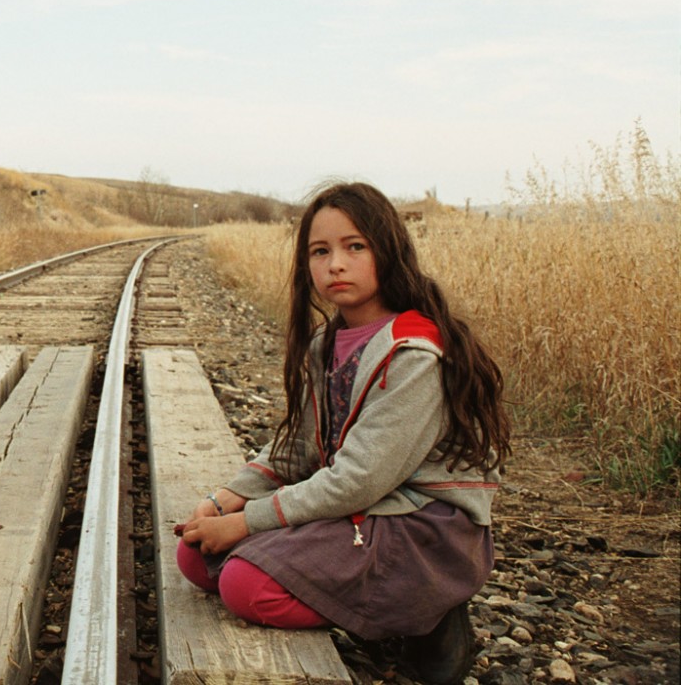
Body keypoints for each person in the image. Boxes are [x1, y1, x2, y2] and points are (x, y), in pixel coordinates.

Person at [174, 182, 510, 685]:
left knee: (244, 585)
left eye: (355, 247)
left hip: (423, 527)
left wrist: (247, 524)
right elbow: (300, 448)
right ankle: (373, 600)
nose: (336, 264)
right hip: (366, 511)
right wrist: (225, 499)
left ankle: (422, 611)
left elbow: (358, 479)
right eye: (320, 251)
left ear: (389, 252)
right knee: (196, 557)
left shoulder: (414, 353)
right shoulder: (323, 344)